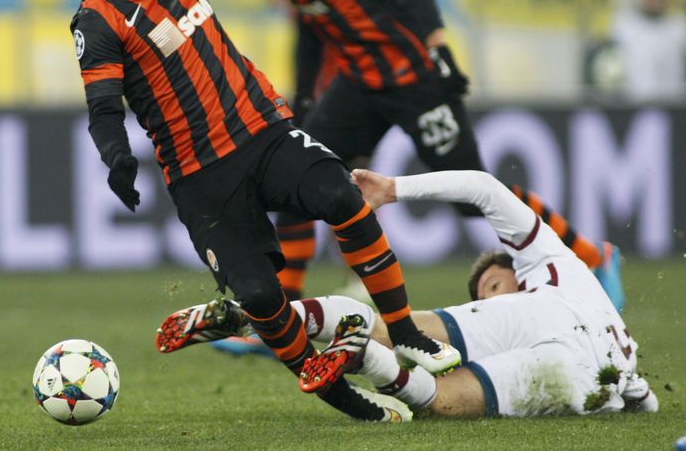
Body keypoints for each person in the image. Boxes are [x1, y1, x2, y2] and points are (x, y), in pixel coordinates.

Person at [66, 0, 458, 421]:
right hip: (200, 175)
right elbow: (103, 106)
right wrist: (116, 156)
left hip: (263, 131)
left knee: (340, 194)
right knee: (259, 295)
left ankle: (407, 332)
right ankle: (343, 396)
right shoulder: (96, 20)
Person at [226, 0, 624, 308]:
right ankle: (280, 315)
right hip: (360, 84)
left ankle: (594, 256)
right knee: (298, 179)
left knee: (473, 199)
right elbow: (310, 23)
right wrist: (303, 101)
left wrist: (437, 45)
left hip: (414, 78)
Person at [158, 168, 658, 418]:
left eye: (489, 289)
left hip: (558, 351)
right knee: (435, 393)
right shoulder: (565, 268)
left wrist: (394, 189)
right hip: (587, 373)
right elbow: (644, 400)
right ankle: (361, 356)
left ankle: (263, 317)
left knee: (402, 339)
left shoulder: (544, 271)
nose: (485, 295)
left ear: (510, 272)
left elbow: (484, 186)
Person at [612, 0, 686, 102]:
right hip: (636, 99)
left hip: (673, 100)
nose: (653, 0)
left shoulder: (678, 26)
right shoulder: (626, 26)